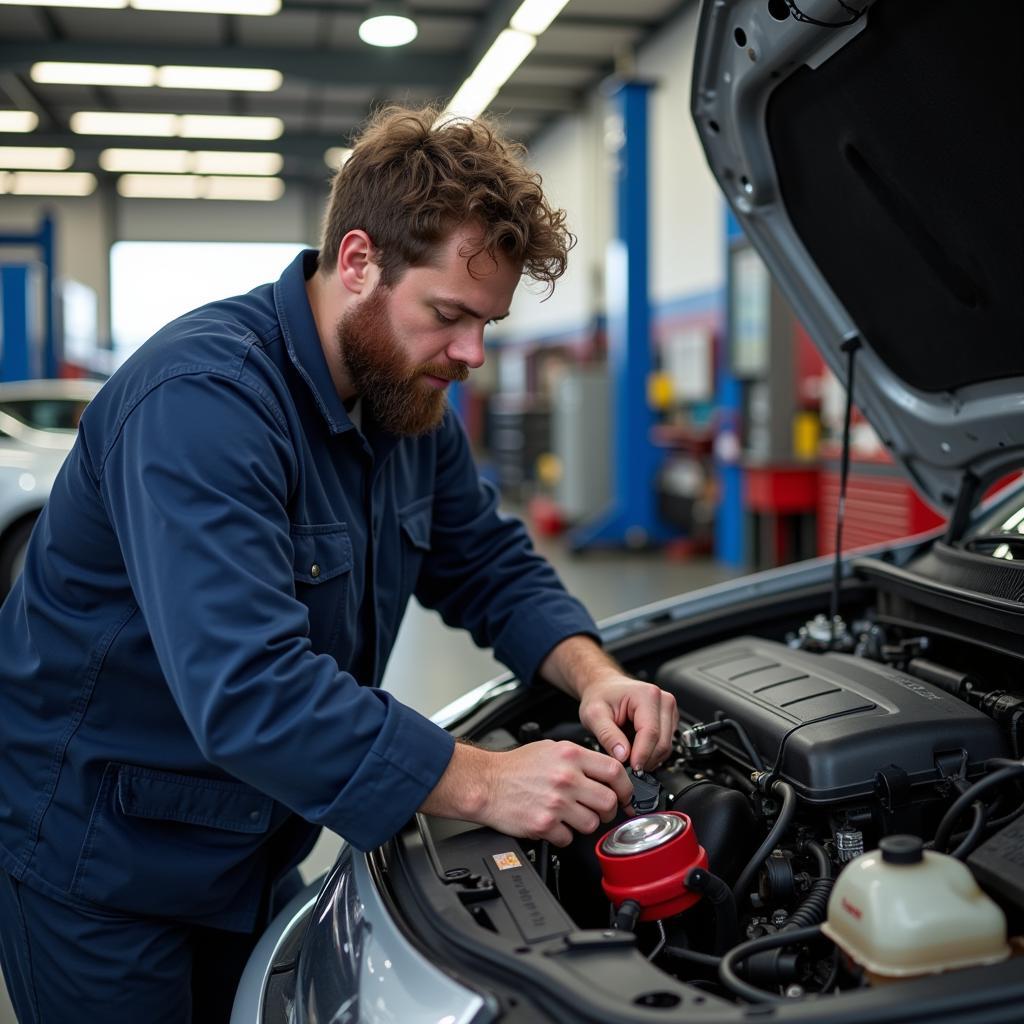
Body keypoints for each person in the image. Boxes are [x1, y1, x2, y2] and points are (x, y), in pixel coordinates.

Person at [0, 105, 679, 1023]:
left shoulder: (405, 401)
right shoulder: (203, 403)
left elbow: (485, 561)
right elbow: (251, 688)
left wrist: (594, 675)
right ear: (358, 260)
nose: (472, 354)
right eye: (450, 315)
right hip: (103, 865)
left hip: (249, 846)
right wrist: (486, 780)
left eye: (488, 323)